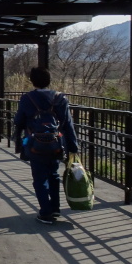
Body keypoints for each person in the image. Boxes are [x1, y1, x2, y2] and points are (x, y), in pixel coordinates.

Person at [14, 67, 78, 225]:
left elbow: (19, 121)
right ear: (49, 80)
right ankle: (55, 208)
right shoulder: (60, 98)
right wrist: (73, 147)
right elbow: (68, 124)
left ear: (32, 81)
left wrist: (19, 143)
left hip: (35, 144)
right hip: (56, 144)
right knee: (53, 175)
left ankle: (45, 212)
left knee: (39, 178)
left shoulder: (27, 98)